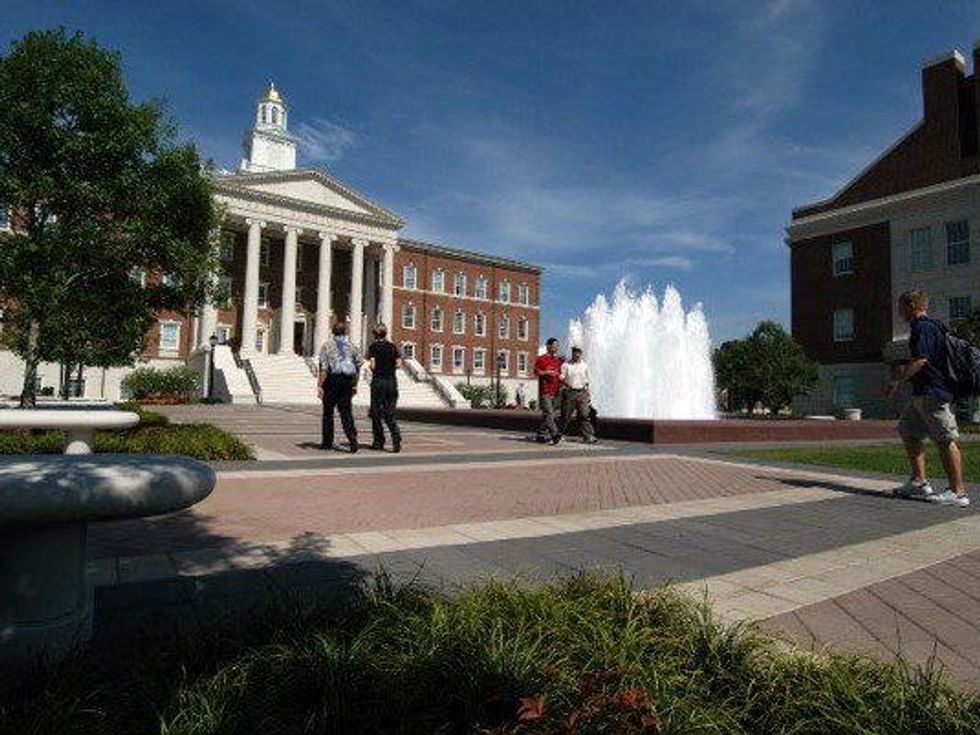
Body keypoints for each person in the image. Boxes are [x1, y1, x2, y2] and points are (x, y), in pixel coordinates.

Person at [886, 289, 969, 507]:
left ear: (911, 305)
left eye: (900, 306)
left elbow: (921, 359)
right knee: (907, 430)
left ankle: (957, 492)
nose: (898, 311)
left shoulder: (924, 327)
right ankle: (919, 482)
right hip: (922, 393)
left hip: (935, 392)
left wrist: (897, 381)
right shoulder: (927, 327)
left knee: (945, 439)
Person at [318, 322, 363, 453]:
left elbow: (324, 368)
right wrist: (355, 384)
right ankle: (353, 440)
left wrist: (320, 385)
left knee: (328, 413)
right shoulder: (352, 346)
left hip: (332, 380)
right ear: (345, 332)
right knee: (346, 413)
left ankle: (327, 443)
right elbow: (359, 365)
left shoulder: (327, 345)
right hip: (347, 381)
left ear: (332, 332)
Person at [367, 323, 402, 452]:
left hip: (378, 382)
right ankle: (396, 435)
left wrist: (377, 368)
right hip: (391, 382)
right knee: (389, 413)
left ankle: (378, 441)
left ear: (375, 335)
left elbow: (372, 365)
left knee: (375, 412)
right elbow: (398, 364)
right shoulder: (393, 347)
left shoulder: (373, 347)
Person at [560, 347, 597, 443]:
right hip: (570, 392)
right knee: (566, 415)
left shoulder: (585, 366)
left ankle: (588, 435)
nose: (576, 355)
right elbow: (561, 377)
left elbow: (587, 380)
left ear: (581, 353)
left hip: (582, 392)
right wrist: (566, 383)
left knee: (584, 414)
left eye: (578, 353)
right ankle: (559, 434)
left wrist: (588, 394)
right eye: (575, 352)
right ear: (572, 353)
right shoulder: (566, 365)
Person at [533, 337, 564, 444]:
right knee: (549, 413)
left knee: (549, 415)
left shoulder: (558, 361)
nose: (556, 348)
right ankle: (555, 435)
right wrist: (546, 372)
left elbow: (560, 374)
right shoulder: (541, 359)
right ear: (548, 346)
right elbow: (536, 372)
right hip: (545, 391)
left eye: (557, 346)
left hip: (556, 391)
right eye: (554, 346)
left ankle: (540, 433)